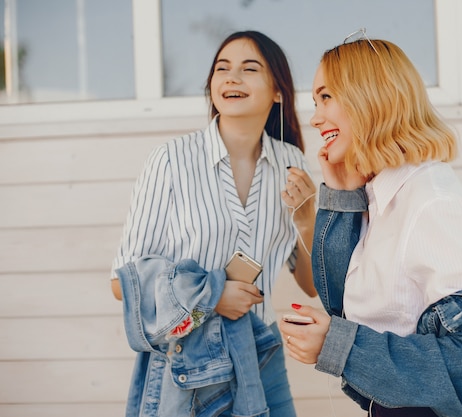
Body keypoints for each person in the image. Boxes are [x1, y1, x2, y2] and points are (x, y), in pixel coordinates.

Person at [278, 34, 462, 417]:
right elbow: (342, 304)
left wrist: (338, 345)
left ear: (369, 96)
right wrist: (342, 196)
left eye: (326, 97)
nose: (315, 117)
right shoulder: (379, 196)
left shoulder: (431, 202)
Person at [110, 30, 317, 417]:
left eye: (248, 68)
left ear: (278, 91)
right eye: (222, 68)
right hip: (188, 356)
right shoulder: (170, 160)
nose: (231, 77)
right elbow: (123, 284)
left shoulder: (294, 164)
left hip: (262, 349)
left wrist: (307, 223)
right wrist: (212, 296)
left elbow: (309, 285)